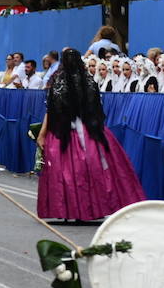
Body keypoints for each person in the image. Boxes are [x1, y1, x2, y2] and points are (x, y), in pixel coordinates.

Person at [35, 49, 146, 222]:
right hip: (89, 131)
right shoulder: (89, 81)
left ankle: (67, 210)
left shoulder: (58, 81)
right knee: (92, 169)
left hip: (65, 133)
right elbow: (96, 109)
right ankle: (91, 208)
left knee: (66, 172)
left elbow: (52, 111)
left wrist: (42, 134)